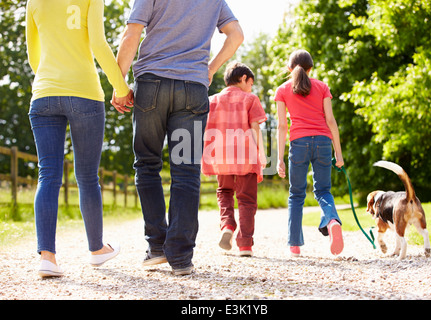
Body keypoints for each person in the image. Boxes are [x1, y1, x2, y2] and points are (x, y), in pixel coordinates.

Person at [112, 0, 244, 275]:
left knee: (147, 165)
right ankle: (181, 257)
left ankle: (157, 247)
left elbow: (132, 33)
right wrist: (210, 69)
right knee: (186, 171)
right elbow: (237, 35)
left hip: (152, 87)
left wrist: (119, 83)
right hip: (192, 90)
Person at [26, 0, 133, 278]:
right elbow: (98, 43)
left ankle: (47, 258)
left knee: (47, 175)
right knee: (87, 177)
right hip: (84, 92)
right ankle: (97, 250)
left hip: (45, 92)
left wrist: (50, 80)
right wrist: (120, 87)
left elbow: (32, 55)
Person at [274, 49, 344, 257]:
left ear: (289, 68)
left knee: (296, 194)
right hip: (323, 142)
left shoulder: (282, 90)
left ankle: (295, 245)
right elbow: (331, 121)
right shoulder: (322, 87)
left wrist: (279, 159)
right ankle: (331, 220)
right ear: (311, 68)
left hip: (299, 143)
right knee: (323, 191)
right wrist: (338, 154)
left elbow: (281, 126)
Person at [202, 62, 267, 257]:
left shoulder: (212, 100)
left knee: (224, 192)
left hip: (220, 156)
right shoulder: (250, 99)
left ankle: (227, 225)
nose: (251, 88)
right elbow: (255, 128)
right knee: (246, 199)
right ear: (243, 78)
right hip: (245, 156)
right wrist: (262, 153)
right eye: (250, 83)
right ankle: (245, 244)